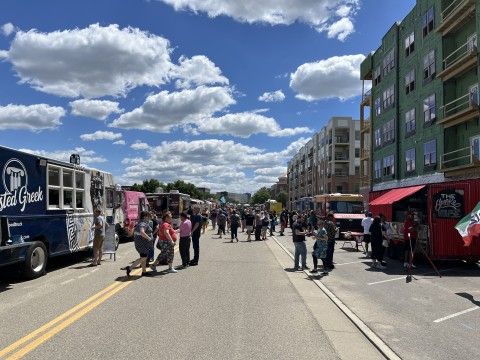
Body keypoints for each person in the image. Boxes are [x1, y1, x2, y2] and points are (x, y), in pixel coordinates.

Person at [123, 211, 153, 276]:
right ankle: (130, 268)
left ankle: (144, 272)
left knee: (144, 257)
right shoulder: (142, 224)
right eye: (148, 216)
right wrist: (149, 238)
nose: (149, 218)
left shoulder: (140, 223)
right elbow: (142, 232)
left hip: (142, 244)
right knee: (143, 258)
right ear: (145, 216)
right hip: (142, 244)